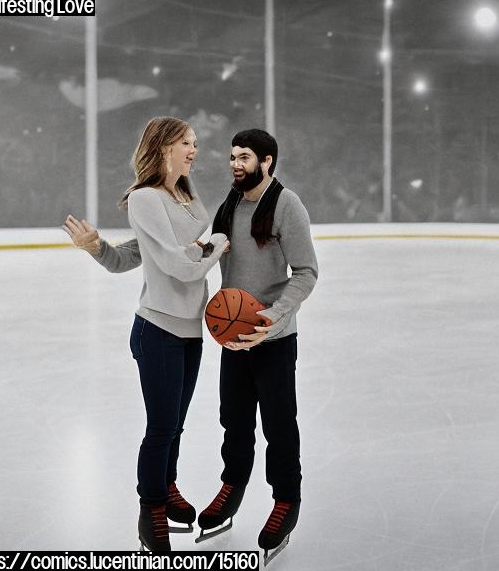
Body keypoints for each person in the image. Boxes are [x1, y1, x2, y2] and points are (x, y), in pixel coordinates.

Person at [64, 130, 319, 562]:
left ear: (268, 161)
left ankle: (285, 501)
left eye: (244, 158)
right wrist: (102, 250)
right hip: (231, 338)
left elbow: (306, 272)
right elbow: (173, 250)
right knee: (233, 422)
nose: (234, 164)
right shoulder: (230, 205)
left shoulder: (286, 205)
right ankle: (232, 486)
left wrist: (272, 319)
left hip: (272, 337)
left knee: (279, 426)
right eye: (232, 157)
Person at [63, 116, 229, 553]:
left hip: (191, 328)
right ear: (162, 147)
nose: (195, 150)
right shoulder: (145, 198)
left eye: (195, 143)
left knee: (175, 425)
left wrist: (203, 248)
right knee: (160, 427)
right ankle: (150, 508)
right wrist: (217, 246)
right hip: (157, 330)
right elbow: (176, 263)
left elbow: (144, 255)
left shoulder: (186, 195)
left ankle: (166, 483)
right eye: (187, 143)